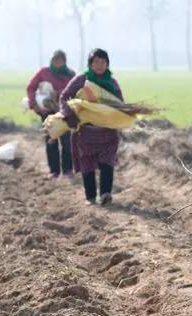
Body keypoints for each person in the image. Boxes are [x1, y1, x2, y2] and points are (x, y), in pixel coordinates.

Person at [59, 48, 122, 206]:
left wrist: (121, 115)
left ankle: (106, 193)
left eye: (103, 62)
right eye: (96, 62)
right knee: (87, 163)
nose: (100, 65)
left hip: (107, 131)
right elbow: (64, 97)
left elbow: (120, 103)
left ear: (107, 64)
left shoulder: (112, 83)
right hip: (86, 131)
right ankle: (91, 197)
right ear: (90, 64)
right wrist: (69, 115)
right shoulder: (81, 79)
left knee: (107, 161)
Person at [26, 49, 75, 178]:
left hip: (64, 113)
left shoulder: (70, 75)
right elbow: (31, 87)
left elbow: (75, 91)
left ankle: (68, 169)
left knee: (67, 142)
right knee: (51, 141)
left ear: (64, 61)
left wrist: (59, 93)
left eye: (60, 60)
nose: (57, 62)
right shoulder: (43, 73)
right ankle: (54, 171)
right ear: (51, 60)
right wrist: (34, 104)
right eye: (55, 60)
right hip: (47, 113)